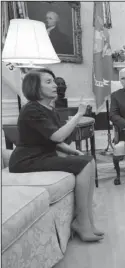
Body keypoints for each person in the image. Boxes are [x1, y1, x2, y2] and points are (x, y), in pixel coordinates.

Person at [8, 69, 104, 242]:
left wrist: (71, 150)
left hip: (43, 155)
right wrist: (79, 114)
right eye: (48, 82)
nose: (55, 85)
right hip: (26, 161)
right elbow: (57, 136)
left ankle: (87, 220)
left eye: (54, 81)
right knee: (84, 163)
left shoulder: (48, 109)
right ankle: (82, 222)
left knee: (89, 161)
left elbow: (55, 141)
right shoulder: (31, 110)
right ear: (35, 87)